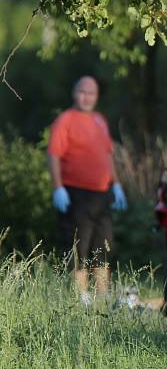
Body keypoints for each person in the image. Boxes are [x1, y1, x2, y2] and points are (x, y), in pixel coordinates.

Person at [48, 76, 127, 305]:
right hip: (76, 194)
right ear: (75, 93)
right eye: (82, 92)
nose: (86, 97)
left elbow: (108, 155)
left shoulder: (99, 120)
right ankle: (81, 298)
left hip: (102, 195)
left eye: (91, 93)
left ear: (96, 96)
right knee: (78, 246)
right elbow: (53, 155)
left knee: (103, 245)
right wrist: (58, 187)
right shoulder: (65, 120)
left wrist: (117, 184)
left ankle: (102, 297)